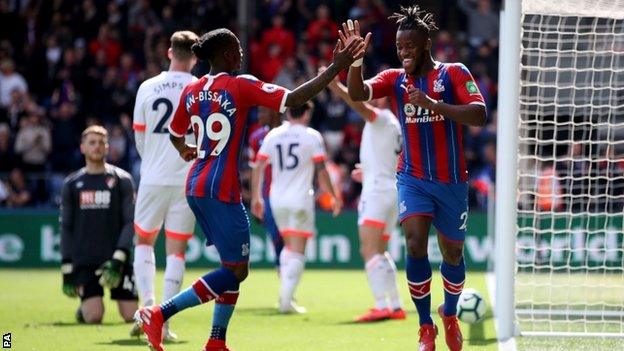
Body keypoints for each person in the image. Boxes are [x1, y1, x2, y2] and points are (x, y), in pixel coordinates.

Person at [134, 28, 367, 351]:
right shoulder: (240, 84)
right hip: (221, 188)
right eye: (238, 49)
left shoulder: (193, 89)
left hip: (196, 184)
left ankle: (217, 341)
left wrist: (188, 150)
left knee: (232, 266)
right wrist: (336, 65)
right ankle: (160, 313)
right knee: (236, 271)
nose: (242, 54)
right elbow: (294, 99)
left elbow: (175, 133)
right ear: (228, 54)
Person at [344, 6, 487, 351]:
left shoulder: (453, 73)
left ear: (425, 44)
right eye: (399, 47)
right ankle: (425, 327)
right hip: (413, 178)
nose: (403, 52)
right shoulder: (394, 78)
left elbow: (480, 114)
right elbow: (359, 93)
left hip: (452, 181)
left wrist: (434, 105)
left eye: (409, 46)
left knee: (452, 253)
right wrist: (354, 62)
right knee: (413, 242)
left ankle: (449, 314)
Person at [130, 30, 198, 341]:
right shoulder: (200, 88)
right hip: (186, 177)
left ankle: (146, 308)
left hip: (153, 177)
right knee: (177, 251)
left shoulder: (147, 86)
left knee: (143, 242)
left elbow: (139, 137)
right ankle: (163, 321)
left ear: (169, 52)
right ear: (195, 57)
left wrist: (153, 162)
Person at [324, 72, 406, 322]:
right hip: (390, 189)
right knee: (380, 251)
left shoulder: (381, 118)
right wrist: (369, 172)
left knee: (368, 250)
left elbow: (358, 104)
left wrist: (335, 86)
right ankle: (395, 305)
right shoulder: (395, 124)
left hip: (378, 193)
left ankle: (381, 305)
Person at [251, 101, 342, 314]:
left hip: (276, 199)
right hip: (300, 198)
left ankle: (286, 297)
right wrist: (333, 195)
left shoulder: (273, 135)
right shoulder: (311, 136)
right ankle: (285, 300)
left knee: (288, 247)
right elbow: (321, 171)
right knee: (298, 250)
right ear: (307, 113)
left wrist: (256, 197)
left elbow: (258, 166)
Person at [60, 125, 138, 325]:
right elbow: (67, 226)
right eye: (92, 142)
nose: (97, 146)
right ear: (82, 148)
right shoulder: (71, 183)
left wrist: (119, 258)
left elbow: (130, 221)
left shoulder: (123, 180)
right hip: (85, 260)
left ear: (107, 147)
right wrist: (67, 268)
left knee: (131, 316)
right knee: (94, 317)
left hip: (116, 259)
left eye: (101, 142)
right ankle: (84, 308)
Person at [247, 107, 284, 271]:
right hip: (267, 194)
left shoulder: (288, 134)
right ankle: (281, 266)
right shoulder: (256, 138)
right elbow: (253, 169)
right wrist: (255, 196)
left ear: (274, 113)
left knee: (289, 237)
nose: (259, 115)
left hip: (288, 192)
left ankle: (284, 268)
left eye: (263, 111)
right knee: (276, 235)